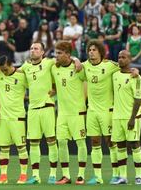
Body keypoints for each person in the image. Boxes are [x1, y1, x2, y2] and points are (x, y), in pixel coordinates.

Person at [83, 40, 120, 185]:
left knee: (111, 142)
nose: (91, 52)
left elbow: (124, 68)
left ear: (100, 52)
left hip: (107, 110)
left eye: (94, 50)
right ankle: (97, 177)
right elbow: (72, 63)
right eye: (89, 50)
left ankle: (116, 175)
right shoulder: (85, 65)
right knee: (94, 143)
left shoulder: (110, 65)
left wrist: (133, 71)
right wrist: (74, 59)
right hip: (91, 111)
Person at [21, 43, 58, 184]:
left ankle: (53, 174)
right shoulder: (25, 67)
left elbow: (66, 62)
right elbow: (11, 71)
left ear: (42, 52)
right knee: (34, 142)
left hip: (47, 106)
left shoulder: (49, 63)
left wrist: (77, 61)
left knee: (51, 141)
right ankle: (35, 175)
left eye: (36, 48)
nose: (33, 50)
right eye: (31, 48)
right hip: (32, 109)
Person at [51, 41, 87, 185]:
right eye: (56, 53)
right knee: (61, 142)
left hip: (77, 112)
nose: (56, 56)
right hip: (62, 113)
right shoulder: (54, 68)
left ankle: (81, 175)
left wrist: (77, 60)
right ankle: (66, 175)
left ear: (68, 54)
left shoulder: (78, 68)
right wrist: (54, 89)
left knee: (80, 142)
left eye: (59, 53)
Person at [111, 50, 141, 185]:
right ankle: (123, 177)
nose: (120, 59)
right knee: (120, 146)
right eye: (119, 57)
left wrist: (132, 118)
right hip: (117, 117)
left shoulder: (136, 78)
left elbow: (138, 100)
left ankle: (138, 176)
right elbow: (107, 63)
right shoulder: (114, 74)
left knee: (135, 144)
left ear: (130, 59)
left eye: (123, 57)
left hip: (131, 117)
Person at [0, 55, 29, 184]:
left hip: (17, 117)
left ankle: (24, 175)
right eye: (2, 69)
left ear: (11, 65)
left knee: (21, 147)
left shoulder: (22, 76)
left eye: (5, 69)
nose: (3, 71)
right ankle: (3, 176)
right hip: (3, 117)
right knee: (3, 148)